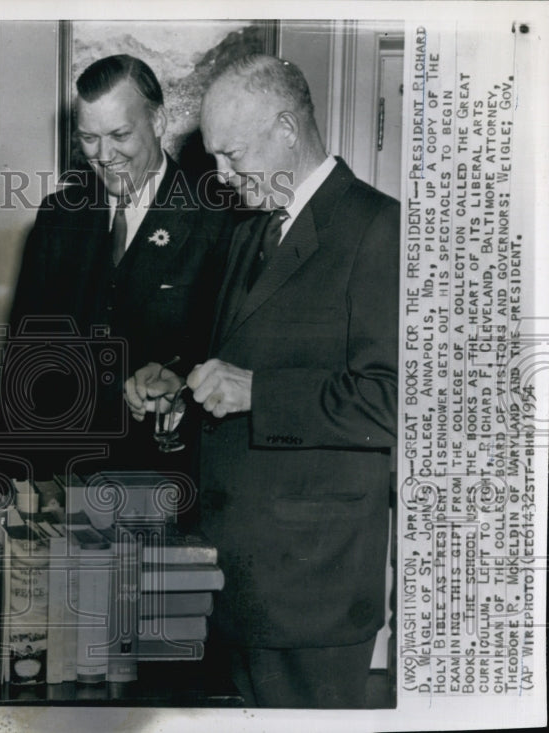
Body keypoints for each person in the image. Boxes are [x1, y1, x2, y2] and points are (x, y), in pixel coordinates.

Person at [125, 54, 399, 708]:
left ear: (285, 128)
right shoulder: (249, 230)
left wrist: (257, 392)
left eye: (232, 154)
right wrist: (179, 389)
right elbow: (231, 361)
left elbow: (393, 400)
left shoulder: (380, 229)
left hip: (313, 592)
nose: (221, 176)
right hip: (235, 579)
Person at [1, 54, 231, 481]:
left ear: (158, 121)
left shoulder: (215, 220)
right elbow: (24, 362)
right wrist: (18, 484)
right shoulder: (57, 217)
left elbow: (225, 358)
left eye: (120, 134)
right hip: (63, 481)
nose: (104, 156)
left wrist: (178, 386)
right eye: (89, 138)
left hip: (165, 480)